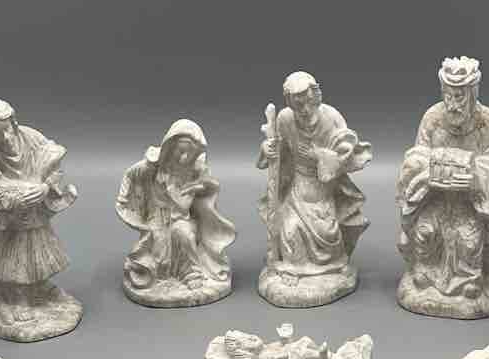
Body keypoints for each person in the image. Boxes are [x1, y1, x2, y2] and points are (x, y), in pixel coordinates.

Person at [396, 57, 489, 317]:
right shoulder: (432, 119)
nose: (452, 104)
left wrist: (475, 176)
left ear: (472, 94)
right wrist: (429, 170)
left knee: (468, 240)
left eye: (459, 97)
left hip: (470, 204)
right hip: (435, 198)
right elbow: (415, 158)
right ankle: (425, 273)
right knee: (425, 232)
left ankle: (469, 280)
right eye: (448, 96)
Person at [257, 72, 371, 305]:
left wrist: (319, 155)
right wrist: (267, 149)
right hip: (297, 187)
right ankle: (292, 268)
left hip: (323, 187)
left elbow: (346, 155)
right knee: (289, 229)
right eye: (299, 105)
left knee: (328, 232)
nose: (305, 110)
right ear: (290, 103)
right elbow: (278, 153)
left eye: (309, 102)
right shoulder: (284, 119)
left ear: (316, 97)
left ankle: (333, 266)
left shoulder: (332, 118)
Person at [0, 97, 79, 332]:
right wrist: (12, 198)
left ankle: (42, 287)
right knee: (14, 256)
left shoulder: (32, 137)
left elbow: (55, 167)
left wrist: (45, 187)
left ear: (14, 122)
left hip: (36, 211)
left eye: (7, 129)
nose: (6, 137)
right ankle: (16, 296)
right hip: (12, 217)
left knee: (40, 251)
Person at [118, 119, 235, 305]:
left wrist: (193, 188)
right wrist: (125, 196)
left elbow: (193, 199)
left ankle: (192, 273)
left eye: (189, 153)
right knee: (156, 253)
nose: (184, 157)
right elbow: (132, 174)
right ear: (170, 148)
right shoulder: (154, 167)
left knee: (184, 234)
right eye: (180, 151)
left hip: (181, 218)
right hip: (157, 219)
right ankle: (156, 274)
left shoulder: (193, 171)